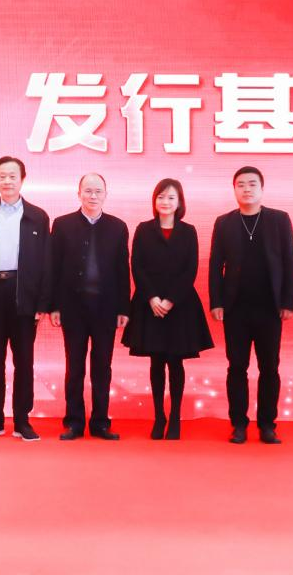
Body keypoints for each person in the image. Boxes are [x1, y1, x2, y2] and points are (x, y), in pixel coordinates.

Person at [208, 166, 293, 445]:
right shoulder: (224, 223)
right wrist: (216, 302)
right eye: (241, 185)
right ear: (234, 189)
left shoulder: (279, 219)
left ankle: (267, 424)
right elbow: (215, 265)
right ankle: (238, 424)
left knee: (269, 367)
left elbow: (290, 262)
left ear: (261, 188)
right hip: (235, 308)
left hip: (270, 307)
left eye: (252, 184)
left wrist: (288, 301)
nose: (246, 189)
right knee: (237, 367)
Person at [0, 156, 51, 442]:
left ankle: (22, 421)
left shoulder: (38, 216)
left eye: (12, 176)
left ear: (22, 179)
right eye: (2, 176)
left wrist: (43, 303)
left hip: (24, 294)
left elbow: (46, 262)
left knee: (24, 361)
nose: (7, 181)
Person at [123, 179, 213, 440]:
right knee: (156, 362)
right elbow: (137, 265)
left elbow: (190, 269)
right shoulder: (143, 229)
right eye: (161, 197)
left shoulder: (188, 231)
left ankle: (174, 417)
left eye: (171, 198)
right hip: (149, 304)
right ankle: (159, 416)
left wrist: (170, 300)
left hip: (180, 305)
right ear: (154, 200)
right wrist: (152, 298)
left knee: (175, 362)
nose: (165, 202)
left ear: (179, 202)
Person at [49, 173, 130, 441]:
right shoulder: (62, 225)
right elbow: (54, 267)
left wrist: (124, 308)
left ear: (105, 194)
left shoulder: (118, 227)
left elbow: (122, 269)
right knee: (74, 367)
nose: (93, 196)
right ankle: (74, 422)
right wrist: (54, 306)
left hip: (106, 308)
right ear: (79, 193)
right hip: (72, 308)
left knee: (102, 367)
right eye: (88, 191)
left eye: (98, 191)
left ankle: (100, 423)